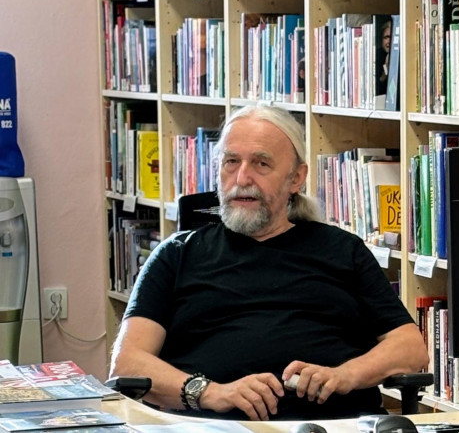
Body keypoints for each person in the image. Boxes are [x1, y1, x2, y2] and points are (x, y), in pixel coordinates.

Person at [109, 104, 429, 422]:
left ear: (296, 178)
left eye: (261, 163)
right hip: (215, 428)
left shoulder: (344, 251)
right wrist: (210, 392)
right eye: (231, 162)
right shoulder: (177, 255)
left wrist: (345, 375)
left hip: (335, 425)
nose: (242, 178)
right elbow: (127, 363)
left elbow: (410, 349)